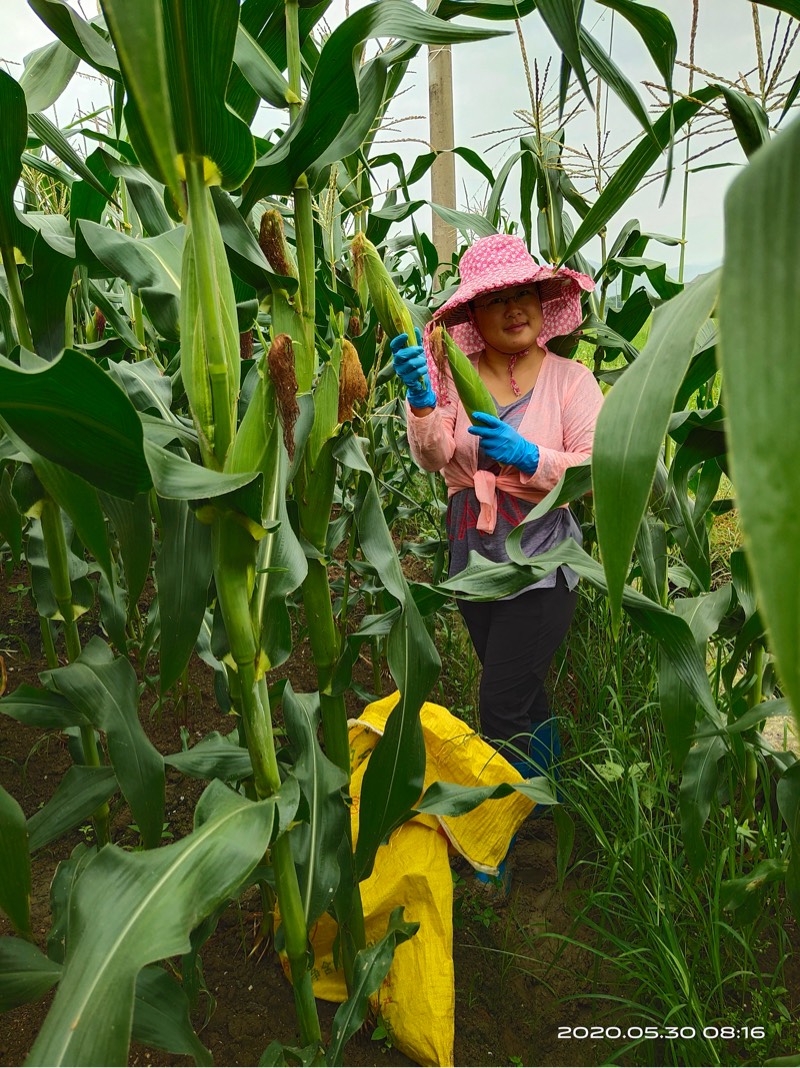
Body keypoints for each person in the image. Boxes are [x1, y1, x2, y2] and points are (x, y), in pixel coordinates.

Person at [390, 233, 604, 792]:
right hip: (474, 564)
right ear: (472, 315)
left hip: (541, 567)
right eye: (495, 299)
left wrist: (531, 457)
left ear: (542, 301)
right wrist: (421, 401)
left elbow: (594, 469)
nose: (513, 309)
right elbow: (434, 457)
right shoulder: (455, 378)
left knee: (500, 706)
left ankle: (504, 830)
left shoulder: (570, 382)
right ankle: (551, 796)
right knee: (525, 694)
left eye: (524, 294)